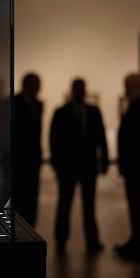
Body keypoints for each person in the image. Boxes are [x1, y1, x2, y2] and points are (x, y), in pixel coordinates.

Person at [50, 78, 109, 254]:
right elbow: (54, 140)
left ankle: (92, 241)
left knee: (89, 204)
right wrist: (57, 164)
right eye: (77, 88)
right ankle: (61, 239)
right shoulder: (61, 112)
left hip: (88, 166)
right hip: (68, 167)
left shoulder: (93, 111)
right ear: (72, 90)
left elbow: (101, 137)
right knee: (65, 204)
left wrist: (104, 160)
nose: (80, 91)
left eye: (82, 88)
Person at [116, 73, 140, 261]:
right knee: (137, 208)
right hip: (137, 167)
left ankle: (139, 247)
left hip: (139, 168)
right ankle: (137, 243)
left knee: (138, 207)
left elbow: (137, 138)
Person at [12, 73, 43, 227]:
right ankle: (19, 229)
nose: (39, 88)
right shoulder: (14, 103)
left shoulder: (38, 104)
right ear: (26, 85)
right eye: (36, 84)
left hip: (33, 159)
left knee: (32, 198)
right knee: (20, 198)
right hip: (18, 160)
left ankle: (30, 229)